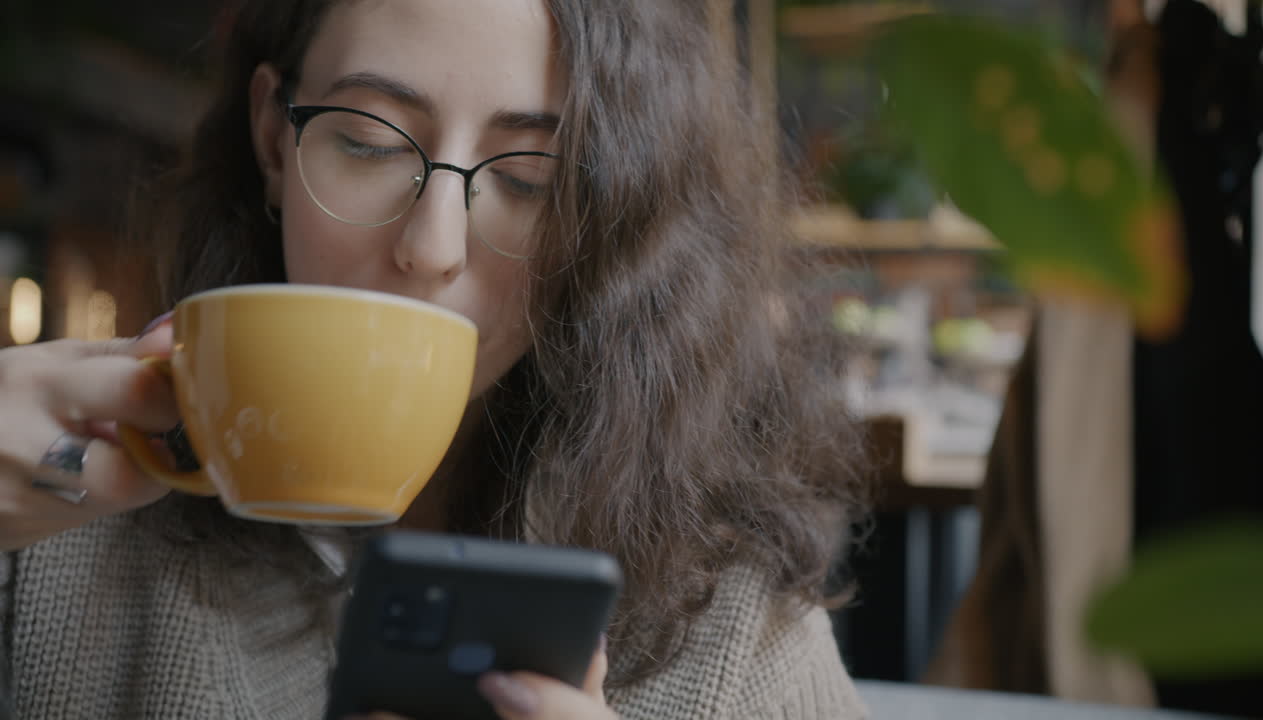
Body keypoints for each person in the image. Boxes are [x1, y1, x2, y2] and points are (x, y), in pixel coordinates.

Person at [0, 1, 871, 718]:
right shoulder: (48, 536)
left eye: (530, 177)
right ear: (274, 138)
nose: (432, 247)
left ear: (614, 222)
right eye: (372, 141)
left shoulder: (727, 631)